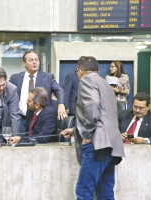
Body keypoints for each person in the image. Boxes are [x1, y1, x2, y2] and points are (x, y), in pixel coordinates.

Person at [60, 56, 125, 199]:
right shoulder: (105, 83)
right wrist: (76, 129)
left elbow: (92, 105)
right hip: (111, 145)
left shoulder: (86, 80)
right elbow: (105, 114)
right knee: (105, 192)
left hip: (96, 144)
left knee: (84, 192)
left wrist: (87, 135)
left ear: (80, 71)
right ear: (97, 70)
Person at [9, 50, 66, 132]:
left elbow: (59, 90)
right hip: (20, 119)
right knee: (19, 141)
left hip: (39, 119)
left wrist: (61, 104)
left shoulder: (48, 77)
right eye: (31, 60)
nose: (34, 62)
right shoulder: (15, 78)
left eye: (36, 60)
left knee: (37, 141)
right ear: (24, 63)